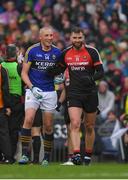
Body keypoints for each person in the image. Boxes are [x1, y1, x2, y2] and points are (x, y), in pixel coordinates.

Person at [48, 26, 104, 165]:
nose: (77, 40)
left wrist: (91, 79)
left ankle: (88, 156)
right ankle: (77, 155)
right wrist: (47, 70)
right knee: (75, 123)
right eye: (74, 37)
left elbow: (101, 72)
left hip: (90, 93)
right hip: (73, 93)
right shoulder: (66, 52)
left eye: (79, 37)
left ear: (83, 38)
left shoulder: (92, 51)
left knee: (89, 126)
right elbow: (59, 68)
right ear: (70, 38)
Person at [18, 26, 62, 166]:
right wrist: (32, 87)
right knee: (29, 119)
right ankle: (25, 155)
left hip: (50, 91)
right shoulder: (32, 50)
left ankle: (46, 158)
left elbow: (59, 71)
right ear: (40, 37)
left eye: (51, 35)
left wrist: (58, 78)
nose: (50, 38)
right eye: (47, 35)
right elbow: (24, 73)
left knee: (48, 126)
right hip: (33, 90)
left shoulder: (57, 52)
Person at [2, 44, 24, 162]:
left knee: (3, 130)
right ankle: (11, 157)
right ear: (16, 53)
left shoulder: (1, 66)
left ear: (5, 53)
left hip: (4, 101)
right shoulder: (19, 67)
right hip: (16, 101)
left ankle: (5, 155)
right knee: (14, 130)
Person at [0, 62, 12, 163]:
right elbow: (5, 89)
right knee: (3, 133)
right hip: (0, 105)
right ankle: (8, 157)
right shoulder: (2, 69)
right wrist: (7, 106)